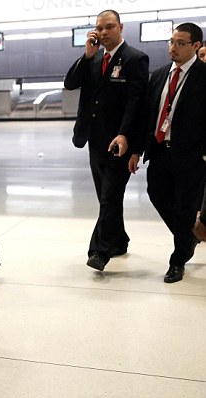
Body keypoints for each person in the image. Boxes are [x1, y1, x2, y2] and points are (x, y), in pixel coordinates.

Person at [64, 10, 149, 272]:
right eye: (99, 28)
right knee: (106, 195)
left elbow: (137, 103)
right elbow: (70, 83)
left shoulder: (135, 58)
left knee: (110, 196)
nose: (103, 32)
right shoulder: (94, 57)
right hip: (95, 139)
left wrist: (128, 138)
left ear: (121, 27)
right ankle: (119, 240)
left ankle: (99, 252)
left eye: (109, 27)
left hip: (119, 141)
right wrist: (86, 56)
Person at [131, 23, 206, 283]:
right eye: (171, 42)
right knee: (157, 194)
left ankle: (177, 261)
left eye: (180, 43)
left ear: (196, 46)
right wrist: (137, 150)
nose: (173, 47)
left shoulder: (204, 75)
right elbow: (147, 116)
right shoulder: (160, 74)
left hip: (191, 156)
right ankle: (189, 239)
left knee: (186, 208)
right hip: (161, 151)